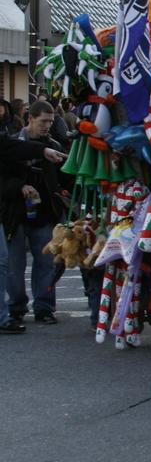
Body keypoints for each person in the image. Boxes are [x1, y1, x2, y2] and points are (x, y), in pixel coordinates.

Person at [3, 101, 68, 326]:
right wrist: (19, 186)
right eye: (43, 121)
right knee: (14, 265)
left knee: (46, 262)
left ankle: (44, 307)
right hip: (16, 213)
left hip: (44, 213)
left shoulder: (53, 144)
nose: (47, 126)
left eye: (51, 121)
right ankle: (16, 307)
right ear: (30, 118)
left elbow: (64, 177)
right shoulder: (12, 143)